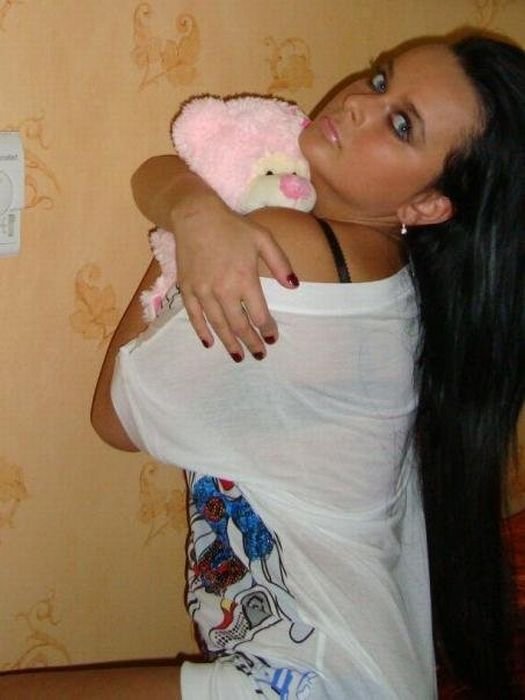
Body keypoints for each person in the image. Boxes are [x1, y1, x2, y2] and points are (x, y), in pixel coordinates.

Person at [0, 30, 523, 700]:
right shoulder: (393, 271)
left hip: (314, 676)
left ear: (425, 205)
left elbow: (114, 418)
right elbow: (157, 175)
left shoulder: (290, 254)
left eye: (400, 125)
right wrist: (198, 209)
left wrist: (199, 224)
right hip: (351, 666)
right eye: (379, 77)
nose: (359, 103)